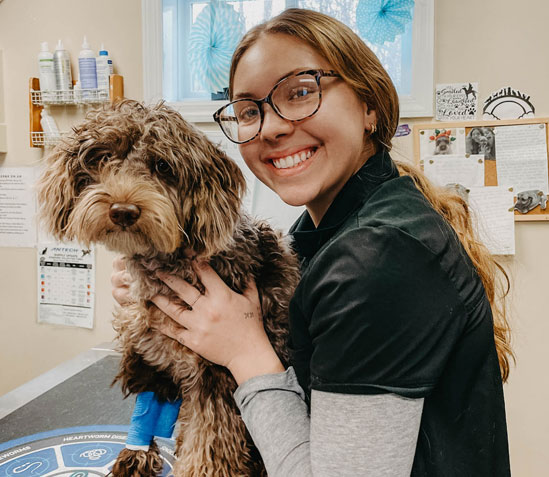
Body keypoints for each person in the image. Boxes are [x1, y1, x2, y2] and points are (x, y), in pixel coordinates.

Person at [112, 8, 513, 476]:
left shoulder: (378, 256)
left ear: (369, 106)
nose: (272, 127)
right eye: (249, 111)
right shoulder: (340, 226)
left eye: (301, 92)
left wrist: (243, 352)